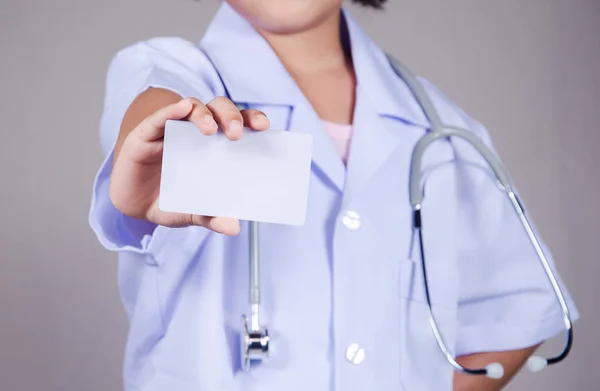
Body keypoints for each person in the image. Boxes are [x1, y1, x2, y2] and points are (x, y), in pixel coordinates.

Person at [89, 1, 579, 390]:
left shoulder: (444, 129)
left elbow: (518, 309)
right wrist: (166, 145)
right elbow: (156, 107)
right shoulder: (172, 71)